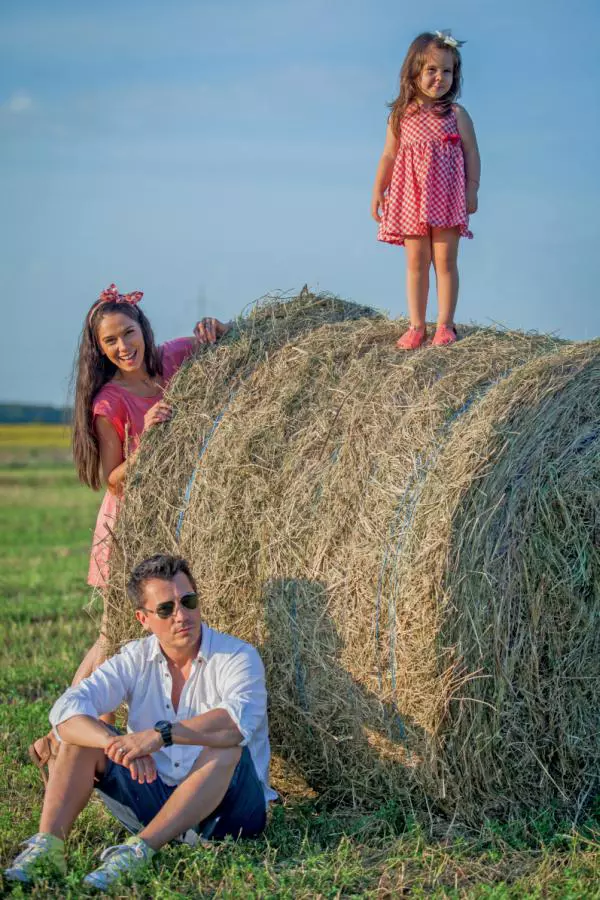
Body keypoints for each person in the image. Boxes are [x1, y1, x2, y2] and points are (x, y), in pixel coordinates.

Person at [29, 284, 231, 781]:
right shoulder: (110, 401)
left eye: (128, 333)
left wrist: (216, 328)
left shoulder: (173, 359)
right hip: (127, 526)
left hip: (171, 518)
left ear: (143, 329)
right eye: (110, 341)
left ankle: (71, 738)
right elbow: (112, 477)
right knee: (110, 635)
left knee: (135, 632)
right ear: (99, 350)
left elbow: (221, 339)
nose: (123, 346)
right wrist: (150, 440)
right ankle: (61, 734)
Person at [6, 554, 275, 891]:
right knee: (80, 738)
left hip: (229, 813)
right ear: (143, 619)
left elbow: (237, 723)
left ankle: (140, 850)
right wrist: (115, 744)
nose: (182, 615)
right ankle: (48, 849)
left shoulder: (237, 656)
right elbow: (66, 709)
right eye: (166, 609)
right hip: (154, 794)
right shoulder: (135, 658)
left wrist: (159, 736)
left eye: (188, 601)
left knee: (226, 747)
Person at [371, 30, 481, 350]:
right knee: (416, 261)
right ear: (414, 72)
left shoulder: (457, 115)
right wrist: (378, 190)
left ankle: (445, 325)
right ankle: (417, 326)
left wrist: (472, 189)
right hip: (410, 198)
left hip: (446, 197)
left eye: (447, 71)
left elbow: (472, 152)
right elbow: (388, 155)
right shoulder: (400, 116)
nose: (440, 77)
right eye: (432, 69)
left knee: (445, 260)